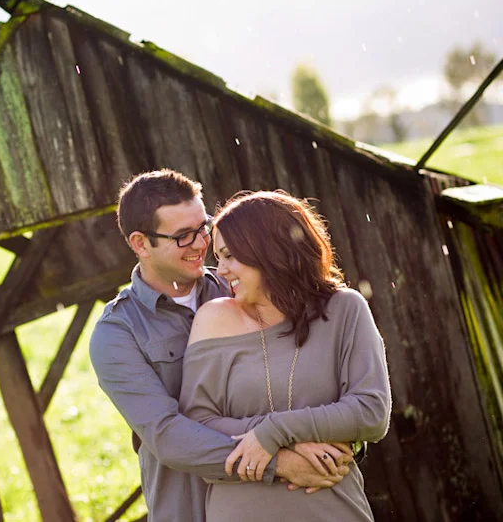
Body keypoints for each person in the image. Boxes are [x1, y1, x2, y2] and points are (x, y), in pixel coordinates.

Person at [90, 171, 355, 522]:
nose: (201, 244)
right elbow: (168, 435)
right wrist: (280, 460)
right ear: (140, 244)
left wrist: (332, 438)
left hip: (278, 507)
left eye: (204, 227)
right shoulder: (117, 333)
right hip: (189, 510)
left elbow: (306, 379)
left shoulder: (244, 284)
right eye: (183, 236)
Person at [179, 190, 392, 521]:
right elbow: (197, 424)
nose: (221, 270)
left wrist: (276, 432)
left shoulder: (344, 309)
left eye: (229, 255)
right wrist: (287, 450)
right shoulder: (214, 319)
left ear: (268, 249)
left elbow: (371, 412)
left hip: (332, 511)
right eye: (218, 257)